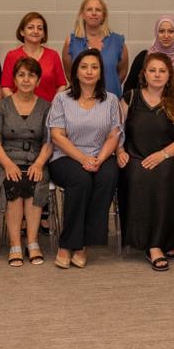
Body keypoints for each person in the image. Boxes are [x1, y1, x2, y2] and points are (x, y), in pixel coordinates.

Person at [47, 49, 122, 269]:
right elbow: (57, 136)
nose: (89, 72)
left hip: (100, 154)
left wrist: (98, 159)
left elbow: (113, 136)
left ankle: (84, 244)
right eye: (84, 67)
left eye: (94, 67)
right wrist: (83, 159)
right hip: (66, 155)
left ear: (100, 73)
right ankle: (67, 243)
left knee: (108, 176)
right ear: (76, 72)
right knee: (81, 180)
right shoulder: (62, 99)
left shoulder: (111, 100)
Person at [117, 53, 174, 272]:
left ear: (169, 76)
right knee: (139, 175)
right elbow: (115, 132)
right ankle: (153, 244)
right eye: (152, 70)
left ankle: (163, 241)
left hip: (168, 157)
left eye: (162, 71)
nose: (157, 75)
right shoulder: (130, 98)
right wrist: (119, 151)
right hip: (135, 156)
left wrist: (163, 155)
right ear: (144, 74)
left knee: (164, 175)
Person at [0, 57, 53, 268]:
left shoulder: (47, 107)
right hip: (6, 159)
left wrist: (39, 163)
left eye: (31, 75)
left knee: (34, 181)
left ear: (38, 80)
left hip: (36, 159)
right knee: (13, 183)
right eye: (21, 75)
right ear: (14, 79)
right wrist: (8, 164)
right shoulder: (2, 106)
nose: (26, 80)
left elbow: (49, 141)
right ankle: (15, 243)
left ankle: (32, 242)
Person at [62, 0, 128, 97]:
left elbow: (122, 73)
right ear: (82, 14)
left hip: (110, 99)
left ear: (104, 15)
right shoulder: (71, 42)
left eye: (98, 10)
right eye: (89, 9)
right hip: (80, 100)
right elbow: (70, 74)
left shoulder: (118, 42)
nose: (94, 13)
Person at [124, 15, 174, 102]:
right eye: (161, 31)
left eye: (171, 31)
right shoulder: (143, 57)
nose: (166, 35)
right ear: (156, 33)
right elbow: (129, 89)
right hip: (144, 109)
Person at [1, 11, 67, 102]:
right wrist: (18, 106)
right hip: (18, 109)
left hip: (48, 108)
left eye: (40, 28)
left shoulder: (53, 55)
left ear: (44, 33)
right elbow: (6, 88)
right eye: (30, 27)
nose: (35, 31)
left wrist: (53, 105)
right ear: (22, 32)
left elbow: (61, 85)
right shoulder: (12, 56)